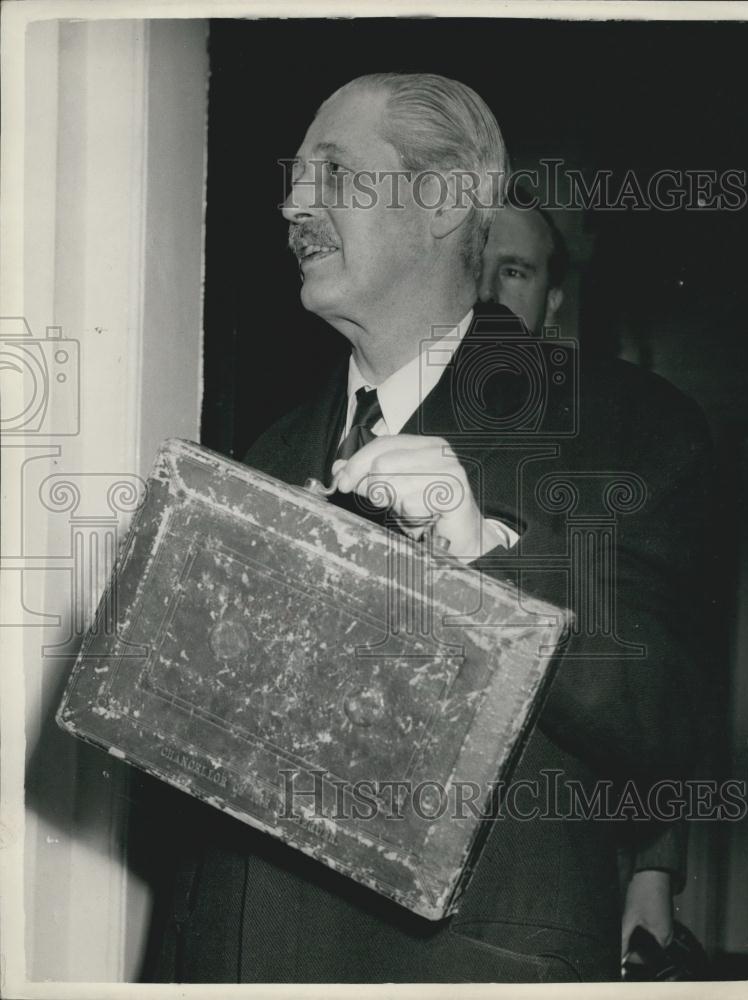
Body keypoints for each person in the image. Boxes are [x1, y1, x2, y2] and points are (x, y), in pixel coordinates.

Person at [148, 72, 711, 984]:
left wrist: (477, 553)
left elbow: (669, 725)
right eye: (295, 175)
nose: (293, 203)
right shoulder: (266, 448)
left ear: (447, 199)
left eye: (333, 172)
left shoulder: (628, 426)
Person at [477, 196, 690, 971]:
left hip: (547, 863)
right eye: (476, 267)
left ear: (551, 300)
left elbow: (641, 669)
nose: (490, 292)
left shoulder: (609, 434)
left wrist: (654, 869)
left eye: (515, 270)